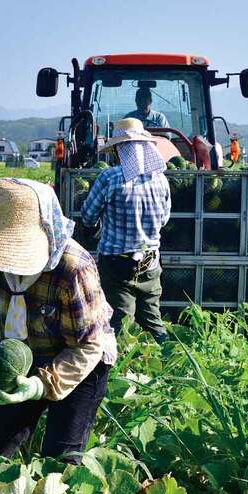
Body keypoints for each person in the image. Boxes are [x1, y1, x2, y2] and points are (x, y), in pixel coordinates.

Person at [0, 178, 117, 463]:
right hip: (18, 358)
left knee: (59, 460)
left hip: (80, 361)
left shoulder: (73, 269)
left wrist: (41, 386)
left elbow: (89, 346)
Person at [81, 118, 172, 341]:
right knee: (152, 318)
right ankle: (170, 356)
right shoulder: (161, 180)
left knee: (119, 322)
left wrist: (95, 229)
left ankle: (118, 368)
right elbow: (163, 220)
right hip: (151, 263)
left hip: (117, 263)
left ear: (119, 149)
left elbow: (88, 216)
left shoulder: (109, 177)